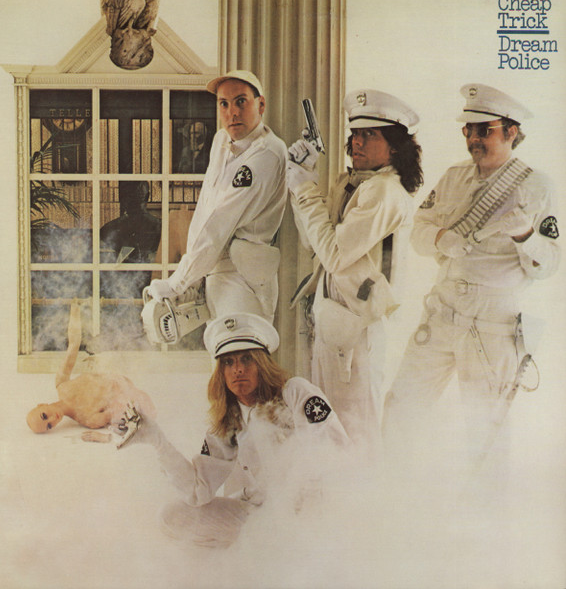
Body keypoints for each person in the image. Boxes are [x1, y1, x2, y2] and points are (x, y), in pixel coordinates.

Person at [383, 83, 561, 469]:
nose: (473, 138)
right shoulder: (453, 176)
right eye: (468, 129)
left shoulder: (537, 186)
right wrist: (441, 239)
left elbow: (550, 264)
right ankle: (391, 490)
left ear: (511, 131)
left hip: (492, 321)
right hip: (442, 309)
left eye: (484, 130)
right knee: (400, 407)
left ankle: (485, 507)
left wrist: (525, 237)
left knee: (486, 433)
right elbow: (418, 230)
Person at [119, 312, 350, 548]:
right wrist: (157, 441)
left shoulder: (294, 393)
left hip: (309, 514)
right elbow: (198, 491)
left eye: (246, 359)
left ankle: (275, 555)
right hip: (261, 516)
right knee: (172, 517)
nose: (237, 369)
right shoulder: (229, 420)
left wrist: (304, 513)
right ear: (221, 373)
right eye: (228, 362)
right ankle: (249, 557)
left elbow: (333, 455)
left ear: (262, 364)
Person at [287, 89, 423, 456]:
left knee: (357, 438)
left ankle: (364, 495)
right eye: (356, 134)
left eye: (370, 134)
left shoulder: (384, 192)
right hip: (334, 324)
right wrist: (304, 180)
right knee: (327, 433)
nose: (357, 142)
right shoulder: (352, 183)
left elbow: (333, 254)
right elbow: (313, 243)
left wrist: (304, 191)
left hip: (358, 332)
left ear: (394, 146)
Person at [146, 70, 288, 323]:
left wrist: (178, 282)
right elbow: (206, 209)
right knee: (216, 347)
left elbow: (219, 223)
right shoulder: (222, 140)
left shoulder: (267, 153)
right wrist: (193, 276)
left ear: (261, 104)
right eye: (224, 104)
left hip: (244, 278)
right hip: (215, 270)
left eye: (241, 102)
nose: (232, 113)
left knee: (240, 346)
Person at [26, 301, 156, 440]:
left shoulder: (61, 384)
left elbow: (74, 344)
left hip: (115, 360)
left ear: (42, 405)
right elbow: (119, 418)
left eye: (44, 415)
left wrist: (75, 310)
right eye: (49, 425)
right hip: (132, 395)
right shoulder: (88, 420)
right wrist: (102, 437)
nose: (52, 419)